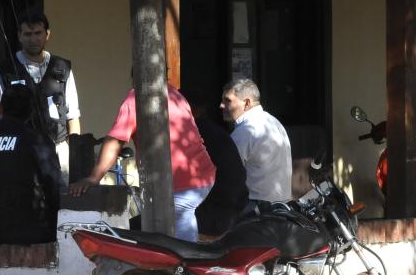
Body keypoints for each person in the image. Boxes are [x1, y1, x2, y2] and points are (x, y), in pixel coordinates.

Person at [69, 84, 216, 243]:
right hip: (203, 174)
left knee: (179, 237)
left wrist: (93, 178)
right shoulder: (173, 92)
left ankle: (186, 257)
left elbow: (115, 141)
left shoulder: (136, 99)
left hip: (181, 181)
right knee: (172, 225)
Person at [0, 8, 80, 185]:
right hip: (18, 150)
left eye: (38, 33)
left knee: (62, 200)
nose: (33, 39)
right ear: (19, 36)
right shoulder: (5, 70)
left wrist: (74, 155)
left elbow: (73, 115)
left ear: (47, 34)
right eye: (28, 34)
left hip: (59, 150)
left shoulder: (62, 68)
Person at [0, 84, 62, 244]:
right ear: (31, 112)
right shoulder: (37, 140)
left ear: (1, 109)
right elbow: (54, 188)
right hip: (30, 232)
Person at [220, 78, 292, 206]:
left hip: (257, 208)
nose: (221, 105)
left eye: (227, 100)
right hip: (282, 204)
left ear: (247, 103)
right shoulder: (273, 121)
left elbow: (226, 174)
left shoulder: (245, 131)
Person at [190, 102, 249, 241]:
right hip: (234, 207)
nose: (222, 105)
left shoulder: (198, 133)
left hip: (217, 211)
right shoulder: (216, 131)